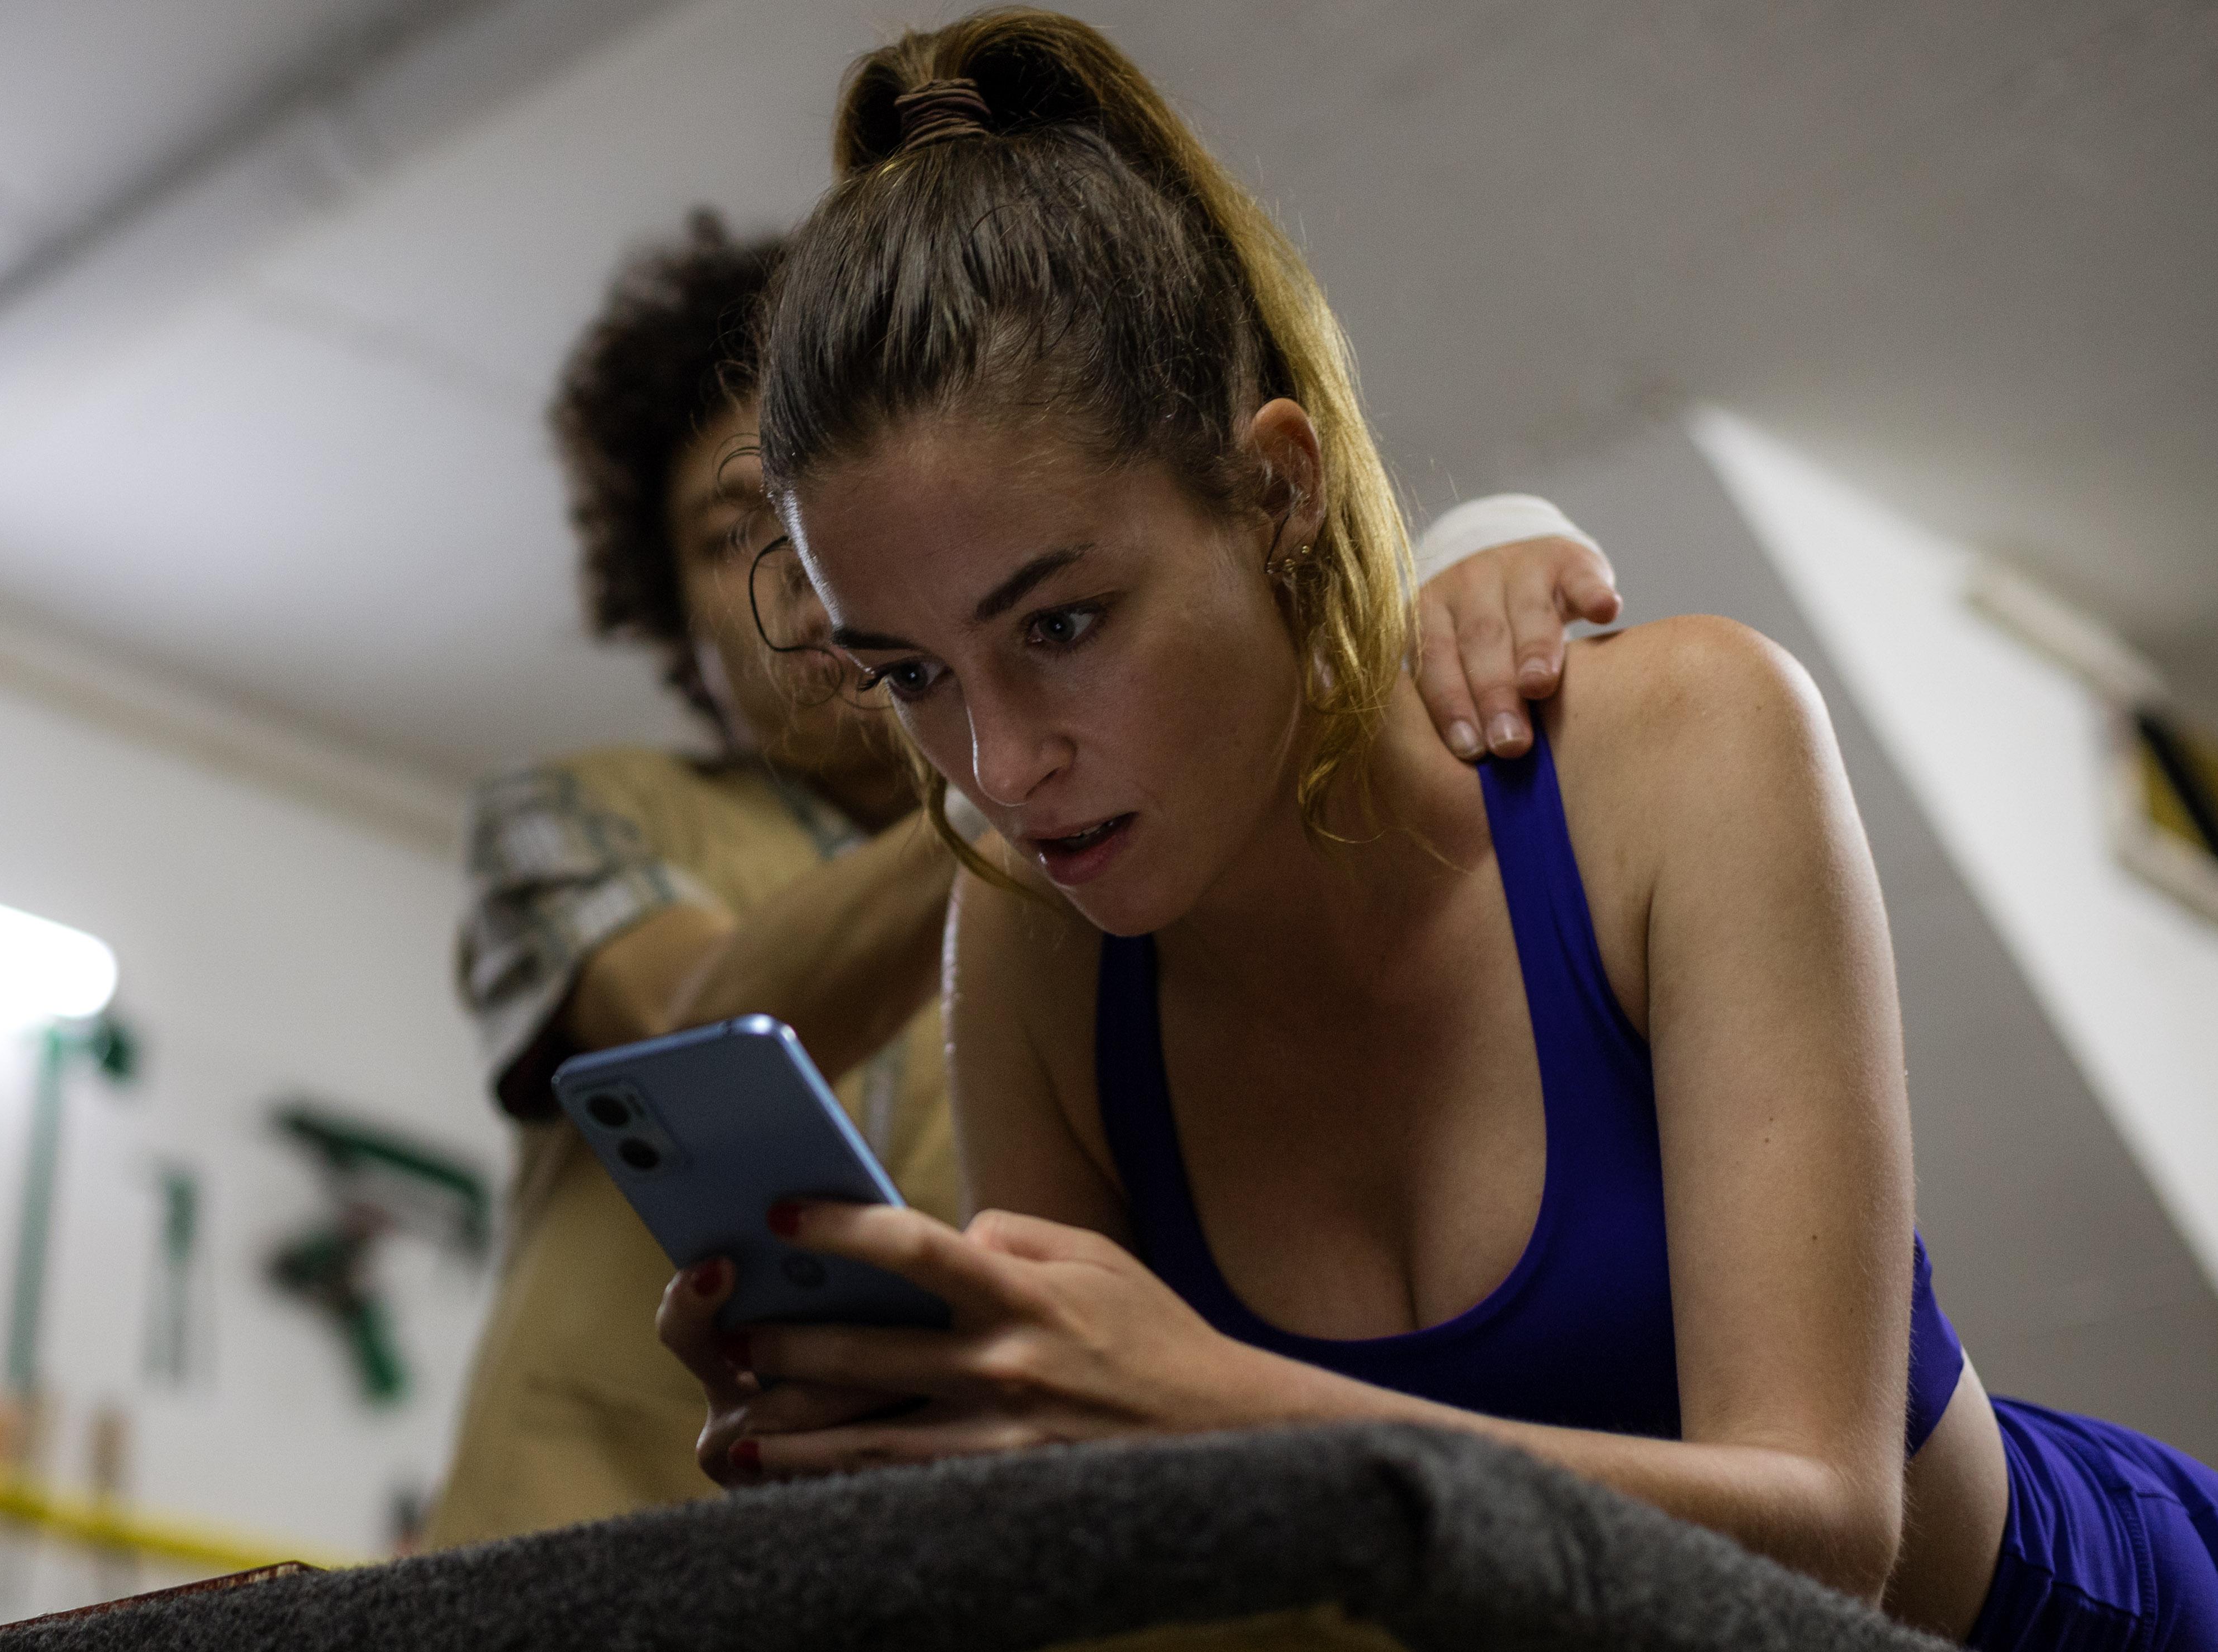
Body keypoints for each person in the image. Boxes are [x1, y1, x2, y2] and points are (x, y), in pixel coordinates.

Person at [654, 12, 2218, 1648]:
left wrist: (1198, 1403)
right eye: (909, 673)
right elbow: (1125, 1584)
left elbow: (1824, 1545)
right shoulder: (1037, 940)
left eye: (1059, 625)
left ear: (1275, 489)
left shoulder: (1680, 745)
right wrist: (890, 1474)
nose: (1000, 764)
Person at [422, 210, 1624, 1549]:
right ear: (661, 608)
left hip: (925, 1580)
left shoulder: (1123, 891)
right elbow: (690, 1027)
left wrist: (1457, 575)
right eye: (732, 539)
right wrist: (1034, 772)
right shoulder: (575, 809)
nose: (803, 586)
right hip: (558, 1562)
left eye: (805, 522)